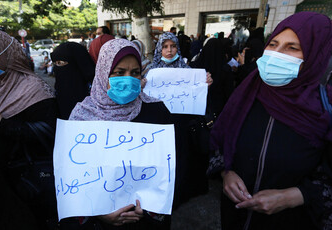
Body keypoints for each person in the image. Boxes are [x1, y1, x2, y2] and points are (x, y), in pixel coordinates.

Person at [208, 12, 332, 230]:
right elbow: (221, 138)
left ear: (316, 54)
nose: (276, 54)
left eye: (292, 48)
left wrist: (293, 196)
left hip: (291, 220)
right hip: (235, 215)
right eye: (274, 44)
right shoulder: (248, 91)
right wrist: (226, 172)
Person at [67, 38, 172, 230]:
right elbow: (74, 177)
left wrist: (150, 205)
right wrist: (98, 211)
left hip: (145, 219)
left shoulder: (156, 110)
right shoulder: (82, 116)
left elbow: (170, 168)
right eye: (119, 73)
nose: (128, 79)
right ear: (103, 72)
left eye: (135, 73)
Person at [0, 30, 58, 229]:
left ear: (4, 53)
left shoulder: (33, 89)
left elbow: (49, 132)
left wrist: (2, 126)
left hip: (25, 186)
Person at [145, 32, 212, 209]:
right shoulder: (151, 72)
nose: (169, 50)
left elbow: (196, 98)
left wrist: (205, 84)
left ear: (178, 48)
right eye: (165, 46)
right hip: (159, 125)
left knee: (180, 159)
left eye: (173, 46)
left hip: (181, 125)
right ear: (159, 49)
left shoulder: (188, 71)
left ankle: (178, 195)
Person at [51, 42, 95, 120]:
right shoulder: (59, 90)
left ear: (78, 62)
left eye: (61, 63)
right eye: (55, 63)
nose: (56, 67)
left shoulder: (97, 94)